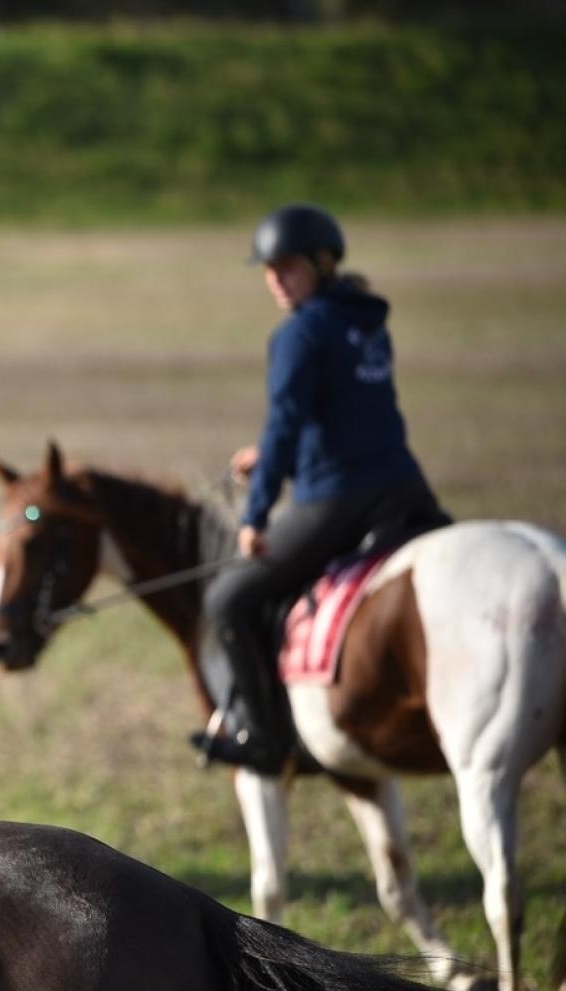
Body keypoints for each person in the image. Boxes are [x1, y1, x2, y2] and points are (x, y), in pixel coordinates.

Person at [192, 203, 449, 775]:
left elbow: (285, 423)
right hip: (404, 487)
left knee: (227, 599)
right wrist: (265, 455)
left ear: (322, 261)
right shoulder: (364, 321)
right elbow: (345, 408)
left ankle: (262, 737)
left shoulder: (299, 333)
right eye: (268, 269)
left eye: (287, 267)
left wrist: (255, 515)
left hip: (339, 498)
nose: (275, 279)